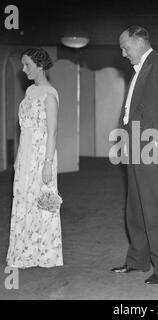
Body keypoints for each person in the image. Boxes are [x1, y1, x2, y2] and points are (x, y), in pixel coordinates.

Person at [111, 26, 158, 284]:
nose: (123, 53)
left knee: (155, 209)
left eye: (126, 47)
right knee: (135, 208)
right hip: (133, 147)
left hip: (150, 150)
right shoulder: (139, 69)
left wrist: (153, 144)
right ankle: (137, 260)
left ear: (140, 41)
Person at [6, 48, 63, 268]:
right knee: (23, 200)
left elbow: (53, 132)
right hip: (26, 154)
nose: (23, 69)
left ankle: (45, 253)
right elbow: (24, 129)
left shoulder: (50, 94)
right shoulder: (30, 92)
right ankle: (25, 252)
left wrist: (47, 164)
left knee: (43, 203)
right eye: (23, 64)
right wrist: (18, 157)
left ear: (40, 66)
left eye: (27, 65)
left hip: (42, 156)